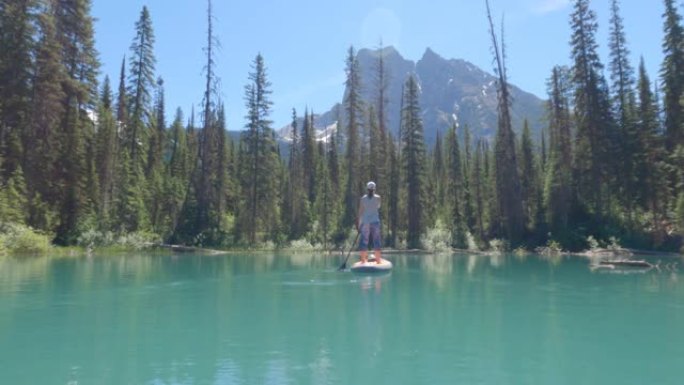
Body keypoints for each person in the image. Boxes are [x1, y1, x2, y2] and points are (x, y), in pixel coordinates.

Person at [356, 181, 383, 264]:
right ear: (374, 189)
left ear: (367, 189)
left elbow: (360, 212)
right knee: (376, 240)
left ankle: (363, 261)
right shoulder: (378, 198)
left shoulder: (363, 199)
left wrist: (359, 224)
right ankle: (378, 261)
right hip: (375, 221)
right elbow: (378, 207)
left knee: (364, 241)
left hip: (365, 222)